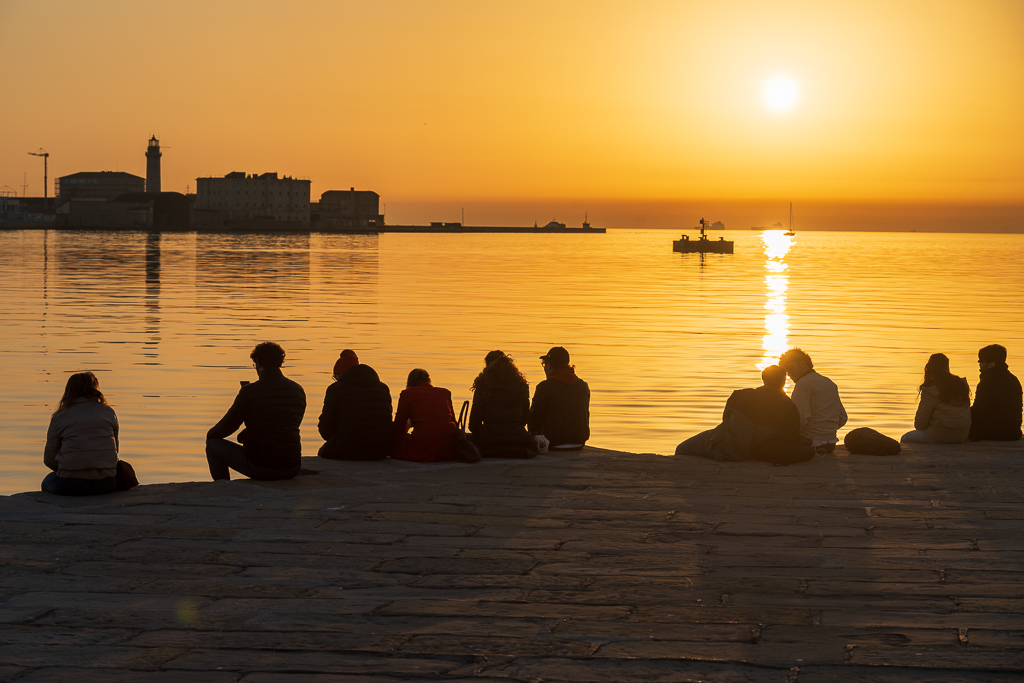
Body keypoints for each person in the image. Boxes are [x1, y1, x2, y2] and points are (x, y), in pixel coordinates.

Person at [206, 341, 306, 481]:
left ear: (258, 363)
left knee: (212, 445)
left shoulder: (250, 392)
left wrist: (210, 434)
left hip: (262, 467)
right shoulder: (298, 390)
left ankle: (224, 487)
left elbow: (225, 428)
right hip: (292, 467)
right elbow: (286, 425)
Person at [675, 365, 812, 464]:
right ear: (783, 382)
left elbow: (725, 420)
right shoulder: (789, 406)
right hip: (760, 448)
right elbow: (788, 437)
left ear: (763, 379)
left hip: (727, 444)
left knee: (681, 449)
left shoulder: (739, 395)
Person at [42, 372, 128, 496]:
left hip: (71, 484)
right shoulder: (108, 412)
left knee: (48, 480)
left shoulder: (60, 416)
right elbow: (115, 449)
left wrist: (68, 468)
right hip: (106, 483)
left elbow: (49, 459)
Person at [317, 349, 394, 460]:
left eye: (335, 377)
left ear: (340, 375)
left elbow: (325, 430)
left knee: (323, 450)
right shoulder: (383, 388)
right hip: (381, 450)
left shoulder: (336, 389)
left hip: (347, 450)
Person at [778, 348, 848, 455]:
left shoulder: (803, 384)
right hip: (830, 444)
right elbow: (843, 418)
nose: (789, 374)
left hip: (811, 443)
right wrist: (826, 432)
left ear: (802, 364)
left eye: (791, 369)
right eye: (787, 372)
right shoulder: (830, 383)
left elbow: (799, 419)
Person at [469, 351, 535, 458]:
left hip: (489, 441)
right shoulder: (522, 388)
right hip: (518, 440)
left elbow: (474, 424)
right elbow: (524, 419)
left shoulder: (483, 388)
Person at [528, 346, 590, 451]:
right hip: (579, 441)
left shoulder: (544, 387)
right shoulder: (583, 386)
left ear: (550, 365)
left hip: (552, 442)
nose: (544, 368)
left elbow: (533, 421)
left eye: (544, 364)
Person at [901, 353, 971, 444]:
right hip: (962, 435)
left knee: (905, 438)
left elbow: (920, 424)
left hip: (939, 436)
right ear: (947, 367)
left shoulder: (930, 389)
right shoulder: (961, 385)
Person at [393, 368, 460, 462]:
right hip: (448, 449)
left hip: (423, 449)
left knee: (395, 439)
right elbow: (454, 423)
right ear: (429, 381)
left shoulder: (407, 394)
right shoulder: (445, 393)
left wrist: (408, 425)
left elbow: (398, 428)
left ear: (409, 383)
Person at [968, 344, 1022, 441]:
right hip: (1013, 432)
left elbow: (978, 410)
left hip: (993, 432)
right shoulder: (1013, 379)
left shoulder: (987, 382)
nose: (979, 364)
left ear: (991, 364)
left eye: (981, 361)